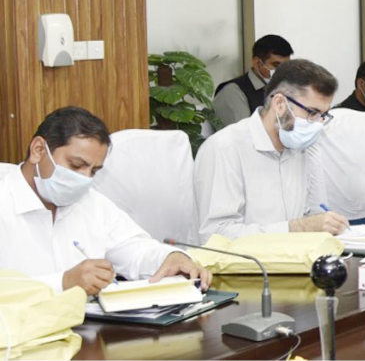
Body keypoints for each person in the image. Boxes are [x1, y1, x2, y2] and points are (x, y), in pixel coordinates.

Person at [0, 107, 210, 295]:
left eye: (93, 171)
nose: (84, 178)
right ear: (38, 150)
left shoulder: (90, 202)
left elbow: (135, 249)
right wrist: (62, 283)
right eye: (76, 165)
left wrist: (171, 257)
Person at [194, 59, 349, 242]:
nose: (318, 124)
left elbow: (313, 213)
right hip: (243, 261)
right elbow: (215, 235)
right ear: (280, 104)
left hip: (296, 256)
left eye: (324, 115)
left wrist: (326, 224)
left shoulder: (304, 149)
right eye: (312, 113)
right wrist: (297, 228)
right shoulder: (225, 148)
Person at [213, 35, 293, 126]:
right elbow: (243, 132)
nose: (282, 71)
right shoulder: (232, 92)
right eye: (276, 65)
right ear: (258, 63)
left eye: (286, 66)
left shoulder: (284, 90)